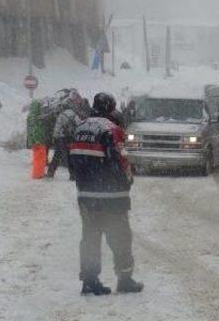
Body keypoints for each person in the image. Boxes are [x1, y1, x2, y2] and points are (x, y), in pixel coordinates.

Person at [69, 93, 143, 296]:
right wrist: (127, 179)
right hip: (112, 198)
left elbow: (72, 160)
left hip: (85, 196)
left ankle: (90, 280)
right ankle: (125, 278)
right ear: (111, 109)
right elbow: (119, 161)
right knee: (120, 237)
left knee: (90, 238)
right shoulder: (112, 130)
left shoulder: (80, 128)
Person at [46, 96, 85, 180]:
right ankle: (73, 175)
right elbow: (79, 125)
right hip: (71, 138)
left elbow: (57, 127)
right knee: (70, 156)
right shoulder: (74, 115)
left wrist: (55, 137)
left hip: (61, 138)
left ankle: (50, 172)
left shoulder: (61, 115)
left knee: (57, 155)